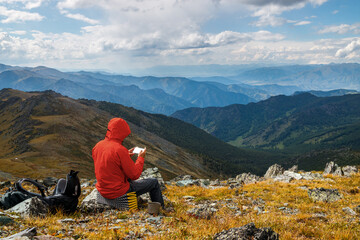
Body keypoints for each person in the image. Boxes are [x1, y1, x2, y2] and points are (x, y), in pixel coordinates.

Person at [92, 117, 164, 208]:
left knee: (128, 178)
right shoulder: (119, 149)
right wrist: (141, 158)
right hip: (118, 192)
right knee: (153, 182)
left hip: (103, 190)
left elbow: (107, 164)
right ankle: (160, 208)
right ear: (122, 132)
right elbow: (134, 175)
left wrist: (125, 156)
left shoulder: (98, 145)